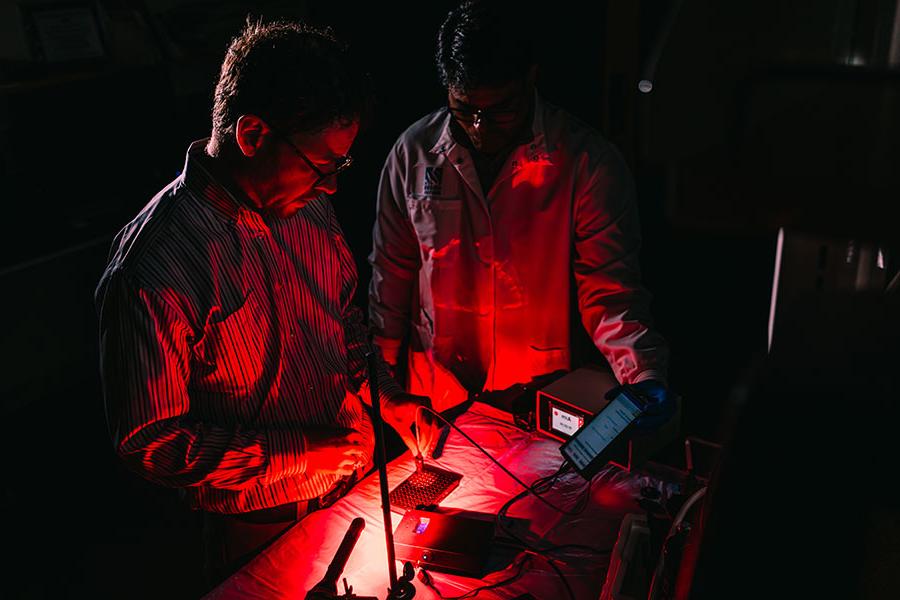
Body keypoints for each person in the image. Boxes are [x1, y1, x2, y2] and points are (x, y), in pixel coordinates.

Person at [95, 20, 438, 587]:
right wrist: (298, 453)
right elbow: (150, 441)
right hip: (252, 526)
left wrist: (390, 398)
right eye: (321, 165)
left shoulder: (307, 209)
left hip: (348, 490)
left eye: (339, 167)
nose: (330, 187)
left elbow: (344, 327)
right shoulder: (155, 267)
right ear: (252, 135)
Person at [369, 0, 674, 427]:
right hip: (435, 399)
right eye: (465, 110)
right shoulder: (413, 153)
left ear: (531, 77)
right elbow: (391, 277)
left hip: (536, 396)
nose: (479, 130)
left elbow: (610, 292)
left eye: (499, 112)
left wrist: (643, 375)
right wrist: (378, 387)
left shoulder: (586, 163)